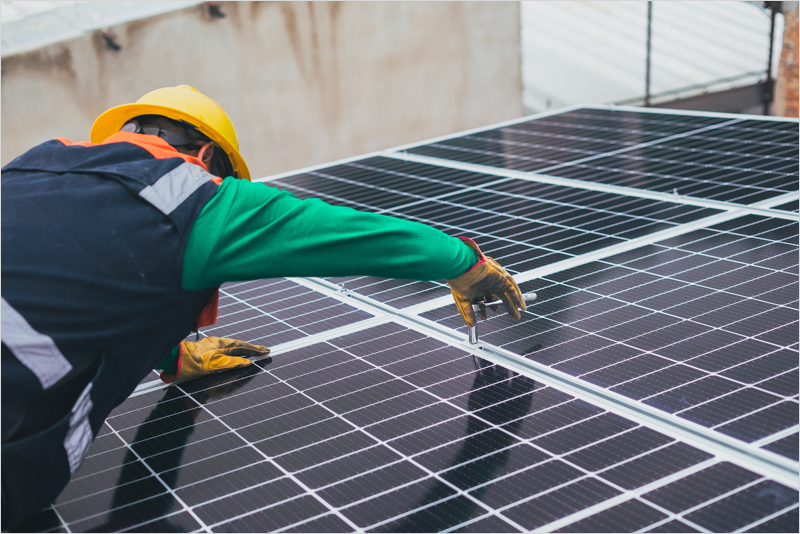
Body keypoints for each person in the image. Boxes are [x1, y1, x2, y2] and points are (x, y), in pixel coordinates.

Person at [1, 85, 525, 527]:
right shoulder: (195, 196)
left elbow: (70, 276)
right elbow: (354, 234)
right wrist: (465, 264)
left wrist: (171, 356)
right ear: (210, 158)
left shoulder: (28, 168)